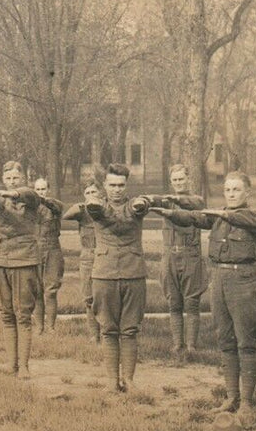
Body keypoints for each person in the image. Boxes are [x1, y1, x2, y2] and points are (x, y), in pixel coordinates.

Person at [153, 171, 256, 414]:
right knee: (225, 340)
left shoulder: (253, 216)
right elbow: (194, 217)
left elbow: (239, 219)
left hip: (244, 279)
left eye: (236, 189)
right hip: (220, 279)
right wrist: (169, 213)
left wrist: (220, 214)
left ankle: (247, 403)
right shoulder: (218, 218)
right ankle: (231, 397)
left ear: (248, 192)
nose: (231, 194)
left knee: (246, 342)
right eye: (228, 190)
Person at [0, 163, 44, 377]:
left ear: (23, 178)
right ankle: (11, 365)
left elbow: (30, 195)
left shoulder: (29, 198)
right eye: (9, 178)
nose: (12, 182)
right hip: (0, 259)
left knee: (23, 314)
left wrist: (15, 193)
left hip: (24, 259)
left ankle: (24, 366)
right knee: (6, 314)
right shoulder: (1, 199)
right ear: (3, 179)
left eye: (16, 178)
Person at [86, 163, 153, 393]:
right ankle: (112, 381)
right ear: (104, 185)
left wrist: (141, 203)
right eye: (112, 185)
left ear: (127, 185)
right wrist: (94, 203)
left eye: (121, 185)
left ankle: (129, 380)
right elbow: (94, 209)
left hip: (133, 272)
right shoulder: (97, 205)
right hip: (104, 274)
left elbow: (141, 206)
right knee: (108, 329)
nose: (116, 189)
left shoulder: (135, 205)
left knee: (130, 329)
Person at [147, 164, 208, 358]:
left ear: (188, 179)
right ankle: (177, 344)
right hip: (170, 256)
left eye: (181, 179)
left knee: (192, 303)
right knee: (174, 303)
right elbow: (155, 200)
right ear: (171, 182)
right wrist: (148, 199)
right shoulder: (167, 201)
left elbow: (196, 204)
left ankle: (191, 346)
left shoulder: (196, 200)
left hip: (191, 256)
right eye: (175, 180)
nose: (178, 183)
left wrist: (177, 200)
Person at [62, 181, 104, 342]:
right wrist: (84, 205)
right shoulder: (81, 211)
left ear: (100, 193)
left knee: (105, 296)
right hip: (87, 256)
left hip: (104, 255)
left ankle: (107, 334)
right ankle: (94, 335)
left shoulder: (106, 210)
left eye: (94, 192)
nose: (91, 195)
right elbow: (66, 215)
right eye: (88, 193)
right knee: (88, 297)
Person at [32, 177, 66, 334]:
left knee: (51, 290)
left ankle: (51, 327)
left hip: (53, 248)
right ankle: (39, 327)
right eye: (38, 189)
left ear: (48, 190)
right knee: (37, 290)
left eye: (43, 189)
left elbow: (57, 208)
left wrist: (44, 201)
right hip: (35, 249)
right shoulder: (30, 207)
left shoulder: (55, 205)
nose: (41, 192)